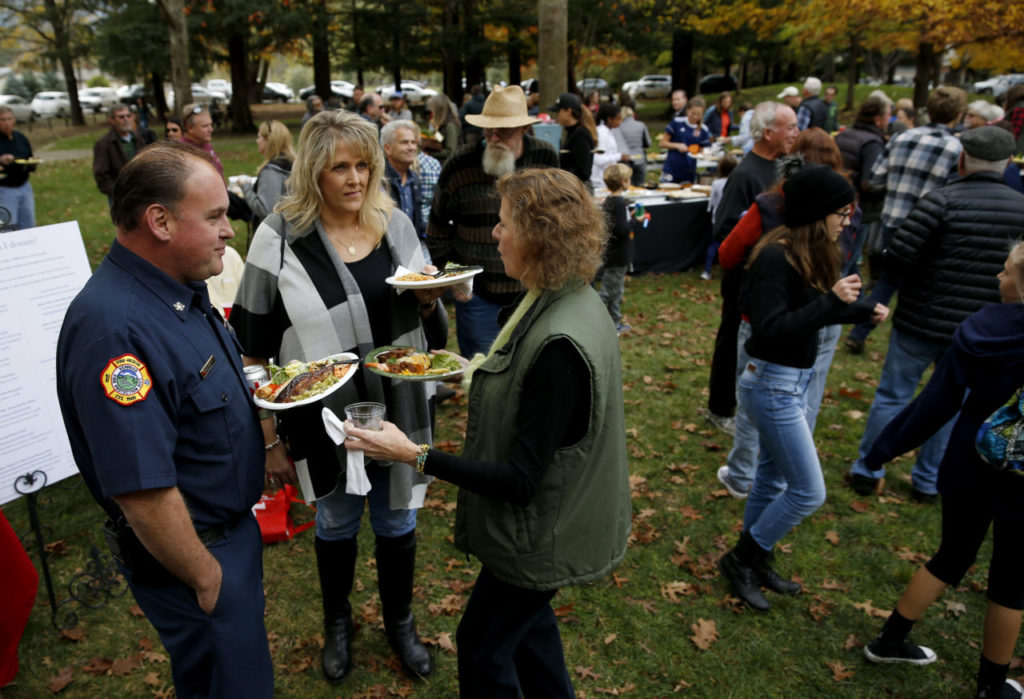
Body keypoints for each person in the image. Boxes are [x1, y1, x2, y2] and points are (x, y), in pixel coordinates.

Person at [343, 167, 631, 697]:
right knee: (529, 634)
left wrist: (413, 454)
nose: (494, 234)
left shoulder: (560, 342)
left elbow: (521, 480)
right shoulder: (564, 295)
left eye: (504, 225)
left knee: (481, 645)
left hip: (543, 533)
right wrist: (468, 370)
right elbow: (529, 392)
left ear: (540, 236)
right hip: (554, 523)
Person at [230, 110, 446, 683]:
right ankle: (338, 623)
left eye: (364, 165)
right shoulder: (278, 237)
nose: (355, 179)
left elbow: (434, 329)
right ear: (312, 173)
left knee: (398, 520)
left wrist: (431, 300)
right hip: (321, 414)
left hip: (399, 407)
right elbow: (249, 351)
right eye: (339, 168)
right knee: (337, 518)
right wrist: (269, 437)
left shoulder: (395, 223)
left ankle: (399, 623)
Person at [55, 141, 274, 698]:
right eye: (216, 216)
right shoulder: (117, 331)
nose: (230, 230)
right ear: (160, 221)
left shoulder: (177, 288)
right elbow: (142, 489)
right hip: (194, 555)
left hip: (226, 537)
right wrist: (206, 577)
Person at [717, 164, 888, 611]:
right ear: (818, 212)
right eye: (841, 212)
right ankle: (742, 559)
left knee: (772, 478)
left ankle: (756, 561)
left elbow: (811, 311)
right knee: (809, 491)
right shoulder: (776, 257)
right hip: (772, 385)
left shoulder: (804, 252)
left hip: (788, 383)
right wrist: (832, 301)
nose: (846, 220)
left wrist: (858, 312)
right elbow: (767, 331)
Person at [858, 240, 1024, 699]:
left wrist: (882, 450)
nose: (998, 277)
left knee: (951, 555)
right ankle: (992, 687)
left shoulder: (978, 331)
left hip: (968, 461)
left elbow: (936, 404)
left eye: (1007, 271)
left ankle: (890, 639)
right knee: (1011, 584)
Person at [847, 126, 1024, 500]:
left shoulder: (939, 201)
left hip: (923, 319)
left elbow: (897, 257)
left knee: (895, 394)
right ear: (1007, 163)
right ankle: (925, 480)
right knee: (956, 403)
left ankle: (868, 467)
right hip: (982, 332)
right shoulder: (1018, 208)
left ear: (962, 161)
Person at [716, 130, 859, 500]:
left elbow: (729, 253)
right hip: (805, 320)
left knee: (784, 398)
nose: (844, 222)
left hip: (797, 324)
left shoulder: (771, 206)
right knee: (801, 395)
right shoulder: (783, 248)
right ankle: (772, 471)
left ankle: (760, 471)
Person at [428, 84, 558, 358]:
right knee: (480, 374)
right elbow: (437, 229)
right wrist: (456, 278)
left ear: (524, 128)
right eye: (489, 130)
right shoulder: (459, 165)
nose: (494, 137)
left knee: (531, 371)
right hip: (478, 298)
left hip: (534, 292)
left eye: (504, 131)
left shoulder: (545, 159)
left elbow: (560, 223)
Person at [845, 86, 966, 354]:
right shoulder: (956, 148)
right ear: (958, 114)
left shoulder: (902, 138)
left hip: (894, 221)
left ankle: (859, 331)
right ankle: (907, 346)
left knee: (888, 280)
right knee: (921, 288)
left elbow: (875, 178)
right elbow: (956, 193)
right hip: (930, 229)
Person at [705, 102, 798, 435]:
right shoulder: (746, 173)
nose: (795, 133)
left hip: (773, 277)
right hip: (743, 277)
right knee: (732, 340)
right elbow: (725, 229)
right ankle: (720, 407)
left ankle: (750, 403)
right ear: (768, 132)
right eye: (790, 127)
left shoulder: (783, 167)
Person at [835, 95, 890, 279]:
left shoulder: (844, 135)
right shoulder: (873, 144)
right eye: (889, 115)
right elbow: (870, 183)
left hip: (839, 205)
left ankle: (859, 302)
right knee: (846, 263)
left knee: (847, 265)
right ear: (878, 119)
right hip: (859, 210)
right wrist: (889, 188)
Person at [598, 162, 634, 333]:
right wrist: (635, 221)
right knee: (609, 291)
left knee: (615, 290)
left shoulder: (610, 201)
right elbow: (622, 229)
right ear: (623, 182)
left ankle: (614, 323)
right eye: (628, 179)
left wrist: (629, 217)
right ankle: (594, 319)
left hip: (612, 253)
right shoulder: (619, 203)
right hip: (618, 255)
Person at [239, 119, 294, 230]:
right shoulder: (293, 164)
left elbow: (265, 210)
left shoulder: (271, 171)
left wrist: (246, 188)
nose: (257, 141)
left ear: (268, 140)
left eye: (259, 137)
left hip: (276, 235)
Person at [381, 119, 426, 240]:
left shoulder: (414, 179)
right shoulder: (379, 180)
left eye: (413, 142)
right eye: (404, 142)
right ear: (387, 149)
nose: (411, 147)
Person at [93, 104, 145, 200]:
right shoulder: (104, 143)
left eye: (128, 116)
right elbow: (101, 174)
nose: (126, 119)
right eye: (121, 117)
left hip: (140, 192)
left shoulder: (137, 138)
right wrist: (117, 193)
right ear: (112, 120)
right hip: (120, 196)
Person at [700, 153, 738, 281]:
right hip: (732, 219)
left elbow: (713, 202)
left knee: (714, 244)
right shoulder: (736, 182)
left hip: (717, 218)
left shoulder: (716, 184)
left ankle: (707, 270)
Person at [0, 106, 36, 230]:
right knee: (8, 227)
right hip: (5, 189)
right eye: (2, 120)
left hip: (24, 186)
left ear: (14, 120)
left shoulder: (20, 137)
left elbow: (29, 157)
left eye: (9, 119)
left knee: (28, 225)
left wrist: (31, 164)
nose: (6, 123)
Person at [659, 98, 710, 184]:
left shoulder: (703, 130)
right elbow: (662, 143)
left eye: (698, 115)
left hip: (688, 170)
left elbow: (702, 150)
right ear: (688, 110)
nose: (695, 117)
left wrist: (702, 153)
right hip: (671, 168)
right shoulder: (677, 122)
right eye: (693, 113)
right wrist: (677, 146)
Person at [551, 92, 595, 185]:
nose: (556, 115)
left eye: (558, 111)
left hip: (578, 189)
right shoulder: (572, 133)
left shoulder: (581, 135)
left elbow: (583, 171)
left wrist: (557, 175)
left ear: (568, 111)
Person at [591, 103, 631, 189]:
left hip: (607, 179)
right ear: (609, 119)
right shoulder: (602, 134)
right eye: (618, 119)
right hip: (600, 180)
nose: (620, 122)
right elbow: (598, 159)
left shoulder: (609, 132)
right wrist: (619, 156)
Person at [614, 104, 652, 186]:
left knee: (625, 186)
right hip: (640, 158)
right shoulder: (641, 125)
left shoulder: (618, 127)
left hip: (625, 160)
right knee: (640, 186)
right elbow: (648, 143)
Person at [424, 93, 462, 164]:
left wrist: (429, 154)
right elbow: (442, 140)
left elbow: (450, 151)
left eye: (432, 109)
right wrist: (435, 131)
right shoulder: (444, 124)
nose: (431, 112)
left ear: (438, 109)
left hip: (451, 165)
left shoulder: (450, 125)